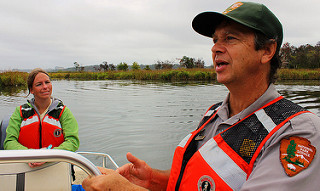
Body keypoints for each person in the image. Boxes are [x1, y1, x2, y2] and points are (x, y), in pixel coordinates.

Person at [82, 2, 320, 190]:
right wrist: (153, 180)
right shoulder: (213, 113)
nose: (215, 48)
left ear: (267, 51)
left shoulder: (297, 131)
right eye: (215, 40)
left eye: (230, 38)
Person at [4, 68, 80, 168]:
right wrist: (31, 156)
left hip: (56, 167)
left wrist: (48, 156)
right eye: (39, 84)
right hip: (25, 167)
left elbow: (72, 141)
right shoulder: (20, 112)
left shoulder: (63, 112)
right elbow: (9, 142)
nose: (45, 87)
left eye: (47, 82)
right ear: (31, 90)